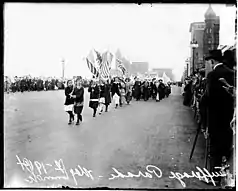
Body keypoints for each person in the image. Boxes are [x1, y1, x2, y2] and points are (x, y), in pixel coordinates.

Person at [204, 50, 234, 184]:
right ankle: (227, 178)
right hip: (229, 116)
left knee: (215, 149)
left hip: (216, 117)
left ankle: (215, 178)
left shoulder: (212, 75)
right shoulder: (232, 73)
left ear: (212, 61)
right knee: (227, 147)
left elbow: (208, 98)